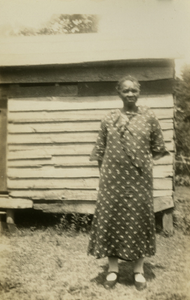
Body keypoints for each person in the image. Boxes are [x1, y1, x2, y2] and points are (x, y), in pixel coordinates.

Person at [87, 75, 169, 291]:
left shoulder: (149, 117)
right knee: (113, 219)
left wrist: (142, 163)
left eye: (134, 90)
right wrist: (103, 178)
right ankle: (112, 270)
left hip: (139, 181)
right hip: (112, 182)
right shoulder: (109, 118)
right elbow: (100, 152)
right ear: (119, 93)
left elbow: (158, 148)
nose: (130, 94)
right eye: (126, 90)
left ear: (139, 92)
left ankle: (138, 271)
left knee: (138, 220)